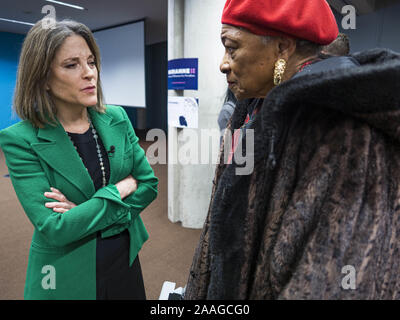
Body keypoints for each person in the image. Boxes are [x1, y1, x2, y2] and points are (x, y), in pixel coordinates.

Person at [185, 0, 400, 299]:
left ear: (283, 48)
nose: (223, 63)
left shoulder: (347, 133)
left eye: (231, 47)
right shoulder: (253, 106)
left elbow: (333, 281)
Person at [0, 19, 158, 300]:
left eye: (91, 61)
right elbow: (55, 229)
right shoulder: (20, 140)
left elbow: (148, 185)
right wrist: (120, 189)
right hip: (64, 272)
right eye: (71, 65)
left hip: (124, 257)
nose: (89, 74)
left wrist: (83, 212)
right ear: (43, 78)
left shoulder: (117, 118)